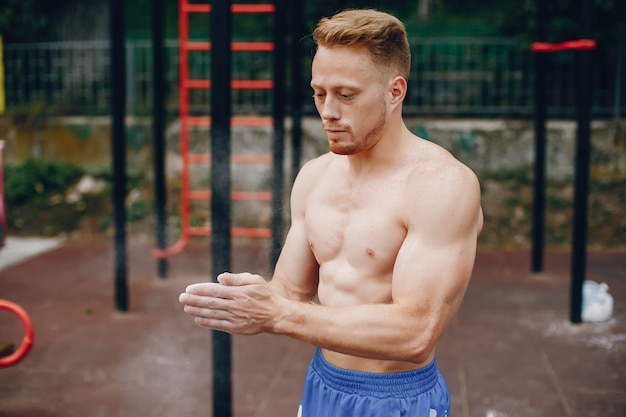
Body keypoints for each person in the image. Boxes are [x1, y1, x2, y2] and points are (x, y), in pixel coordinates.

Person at [179, 8, 483, 417]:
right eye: (319, 93)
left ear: (395, 92)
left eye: (346, 94)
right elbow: (290, 290)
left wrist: (280, 313)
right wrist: (252, 299)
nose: (328, 112)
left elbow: (417, 333)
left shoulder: (442, 185)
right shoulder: (314, 177)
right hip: (323, 383)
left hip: (397, 397)